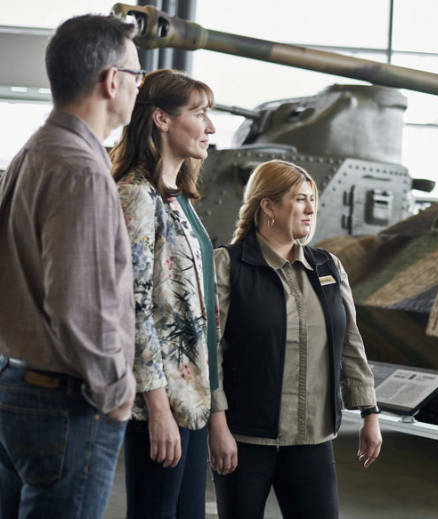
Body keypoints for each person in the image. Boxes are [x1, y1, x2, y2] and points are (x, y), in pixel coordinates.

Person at [0, 14, 140, 519]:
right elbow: (81, 303)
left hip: (20, 384)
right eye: (138, 75)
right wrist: (117, 392)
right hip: (65, 401)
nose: (140, 86)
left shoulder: (35, 150)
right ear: (111, 80)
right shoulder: (81, 169)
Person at [208, 159, 383, 519]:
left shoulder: (328, 266)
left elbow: (350, 344)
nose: (310, 208)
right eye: (300, 199)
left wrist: (369, 413)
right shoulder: (227, 265)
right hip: (245, 439)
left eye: (312, 199)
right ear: (268, 206)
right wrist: (217, 425)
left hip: (312, 440)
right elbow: (209, 354)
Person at [111, 69, 219, 519]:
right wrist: (157, 408)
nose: (211, 126)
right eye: (200, 113)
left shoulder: (177, 199)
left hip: (189, 400)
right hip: (159, 404)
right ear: (161, 119)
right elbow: (132, 309)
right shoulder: (136, 196)